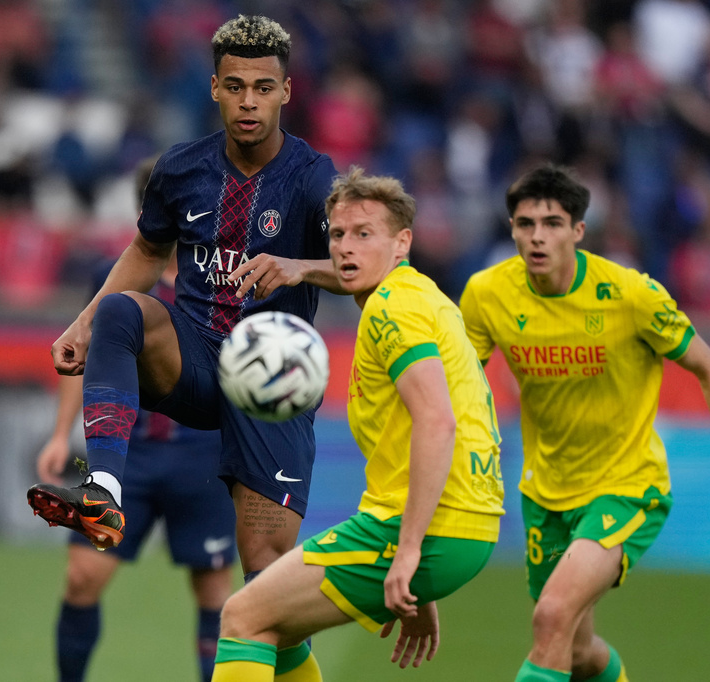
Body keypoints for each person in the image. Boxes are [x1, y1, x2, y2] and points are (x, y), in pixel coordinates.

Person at [25, 15, 340, 677]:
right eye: (234, 86)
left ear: (286, 91)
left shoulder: (314, 179)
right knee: (118, 312)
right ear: (215, 90)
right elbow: (144, 251)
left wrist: (303, 268)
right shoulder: (182, 169)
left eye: (262, 86)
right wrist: (81, 327)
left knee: (266, 588)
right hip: (195, 364)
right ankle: (104, 486)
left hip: (267, 394)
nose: (248, 100)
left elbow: (364, 268)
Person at [458, 164, 710, 682]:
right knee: (576, 650)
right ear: (511, 229)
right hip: (545, 494)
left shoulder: (631, 295)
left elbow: (709, 368)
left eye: (553, 223)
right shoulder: (486, 293)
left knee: (552, 615)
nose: (538, 236)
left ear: (578, 231)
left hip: (626, 488)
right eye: (525, 224)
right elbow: (459, 381)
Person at [211, 167, 506, 681]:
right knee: (280, 627)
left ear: (402, 242)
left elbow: (437, 422)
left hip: (428, 528)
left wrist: (411, 550)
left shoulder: (392, 309)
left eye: (364, 234)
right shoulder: (424, 296)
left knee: (244, 617)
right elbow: (445, 415)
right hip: (463, 524)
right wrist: (302, 269)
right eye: (339, 234)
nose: (346, 247)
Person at [34, 159, 236, 682]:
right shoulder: (114, 280)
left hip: (204, 456)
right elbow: (80, 353)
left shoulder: (225, 277)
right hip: (130, 457)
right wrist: (61, 434)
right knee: (82, 578)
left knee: (217, 595)